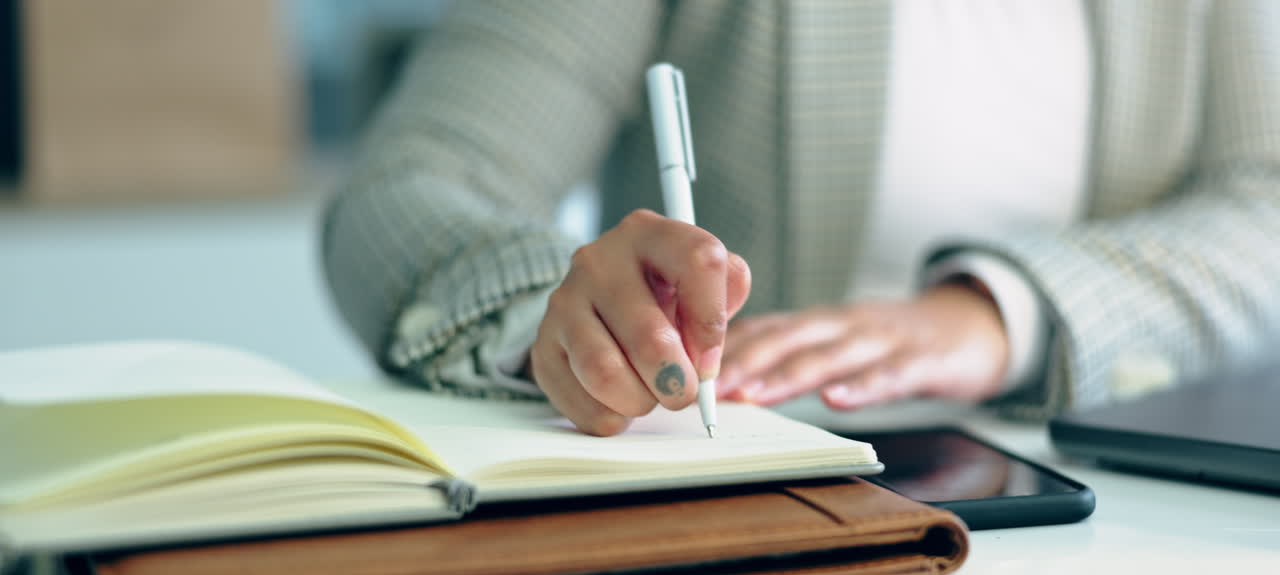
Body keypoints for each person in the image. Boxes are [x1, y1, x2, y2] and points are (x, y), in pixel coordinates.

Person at [323, 1, 1280, 436]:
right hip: (742, 533)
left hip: (1113, 529)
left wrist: (1001, 313)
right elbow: (406, 191)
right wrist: (559, 318)